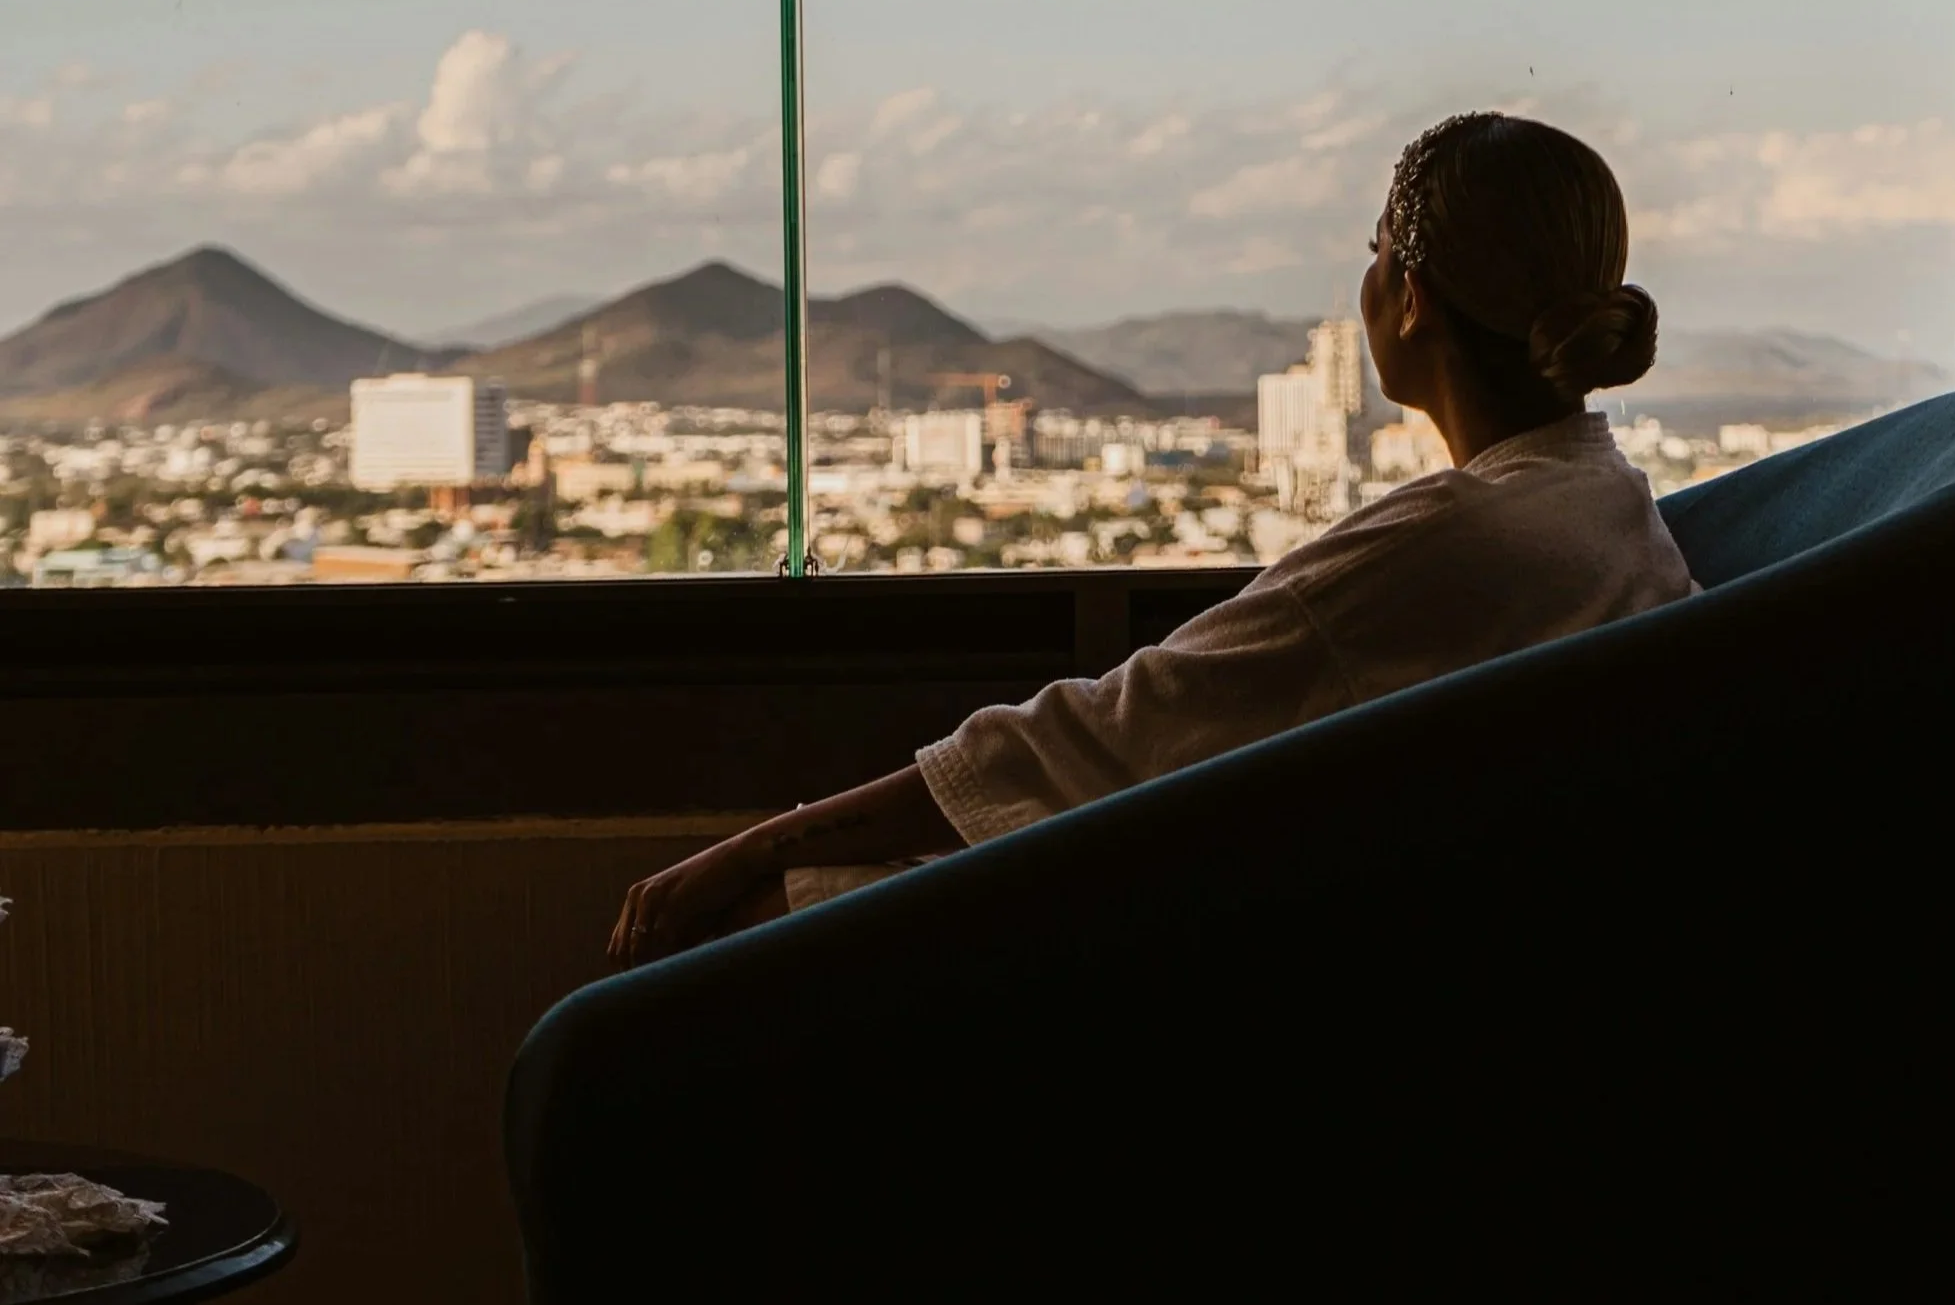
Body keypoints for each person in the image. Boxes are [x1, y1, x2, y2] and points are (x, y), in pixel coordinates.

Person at [610, 112, 1696, 968]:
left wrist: (754, 847)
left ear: (1408, 296)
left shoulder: (1441, 546)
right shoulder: (1605, 501)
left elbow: (1088, 741)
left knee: (737, 931)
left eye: (1373, 253)